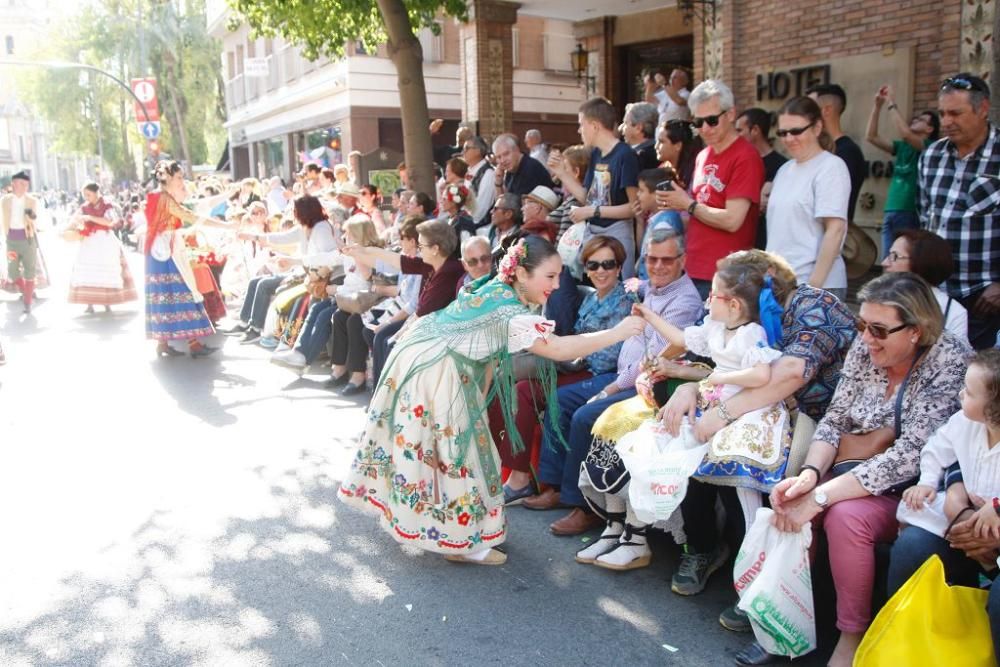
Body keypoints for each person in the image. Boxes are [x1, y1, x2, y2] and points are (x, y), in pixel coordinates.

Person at [337, 236, 646, 565]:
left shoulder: (497, 287)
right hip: (438, 371)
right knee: (460, 454)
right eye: (550, 276)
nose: (557, 285)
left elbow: (485, 352)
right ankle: (463, 543)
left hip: (430, 361)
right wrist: (620, 331)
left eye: (558, 276)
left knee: (453, 450)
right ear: (523, 274)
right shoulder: (508, 310)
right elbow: (556, 349)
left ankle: (458, 534)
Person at [756, 272, 972, 667]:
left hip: (915, 488)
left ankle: (851, 636)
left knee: (845, 516)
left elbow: (910, 455)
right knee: (792, 497)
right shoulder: (867, 345)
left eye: (878, 329)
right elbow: (836, 418)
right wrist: (809, 474)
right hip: (850, 467)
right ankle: (785, 621)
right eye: (861, 325)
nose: (866, 338)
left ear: (916, 330)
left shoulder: (950, 361)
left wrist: (821, 496)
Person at [658, 250, 857, 627]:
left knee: (740, 460)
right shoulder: (747, 314)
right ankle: (702, 548)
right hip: (771, 407)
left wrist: (722, 413)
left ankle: (757, 583)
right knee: (691, 442)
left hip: (822, 419)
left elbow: (788, 375)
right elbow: (725, 363)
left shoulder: (811, 306)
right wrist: (696, 391)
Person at [580, 253, 790, 570]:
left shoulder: (750, 334)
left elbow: (761, 376)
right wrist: (648, 315)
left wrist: (718, 377)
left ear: (733, 305)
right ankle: (632, 531)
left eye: (713, 295)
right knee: (653, 443)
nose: (707, 301)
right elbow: (679, 338)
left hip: (746, 414)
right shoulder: (716, 328)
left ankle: (753, 567)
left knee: (740, 494)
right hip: (714, 403)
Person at [523, 228, 703, 535]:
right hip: (617, 375)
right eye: (651, 258)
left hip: (646, 385)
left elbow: (656, 359)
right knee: (561, 400)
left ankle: (585, 506)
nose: (657, 265)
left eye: (667, 260)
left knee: (584, 416)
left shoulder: (683, 300)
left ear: (683, 260)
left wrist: (613, 386)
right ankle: (553, 486)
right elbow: (633, 285)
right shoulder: (651, 287)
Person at [496, 235, 632, 504]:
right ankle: (518, 476)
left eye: (608, 264)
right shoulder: (592, 299)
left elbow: (607, 358)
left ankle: (551, 486)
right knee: (521, 388)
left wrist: (569, 355)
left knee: (547, 396)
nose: (601, 271)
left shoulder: (625, 301)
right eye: (593, 265)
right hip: (575, 365)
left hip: (599, 372)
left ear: (619, 268)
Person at [887, 349, 1000, 659]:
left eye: (970, 392)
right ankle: (900, 645)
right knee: (912, 548)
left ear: (994, 410)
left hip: (993, 529)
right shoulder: (964, 423)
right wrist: (927, 482)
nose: (961, 393)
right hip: (964, 521)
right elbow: (937, 450)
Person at [655, 80, 765, 299]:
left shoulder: (745, 156)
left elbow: (733, 221)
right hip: (692, 268)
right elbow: (700, 214)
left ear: (731, 114)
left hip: (725, 276)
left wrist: (687, 204)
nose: (705, 128)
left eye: (712, 120)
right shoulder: (703, 156)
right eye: (698, 122)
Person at [919, 73, 1000, 350]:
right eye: (942, 113)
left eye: (956, 113)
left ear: (983, 109)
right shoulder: (932, 156)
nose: (946, 122)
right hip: (935, 295)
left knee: (977, 381)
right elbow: (925, 219)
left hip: (984, 298)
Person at [765, 96, 851, 300]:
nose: (789, 138)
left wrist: (812, 289)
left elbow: (835, 230)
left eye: (796, 131)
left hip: (817, 287)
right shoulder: (784, 170)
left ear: (817, 127)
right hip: (779, 286)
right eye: (783, 133)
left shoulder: (831, 167)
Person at [548, 97, 640, 279]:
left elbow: (634, 207)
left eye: (582, 124)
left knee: (620, 292)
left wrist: (593, 211)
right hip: (594, 234)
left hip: (617, 234)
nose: (579, 130)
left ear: (595, 126)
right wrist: (562, 174)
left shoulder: (625, 155)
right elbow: (588, 197)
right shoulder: (596, 154)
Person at [227, 195, 339, 343]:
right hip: (306, 275)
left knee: (265, 285)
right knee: (256, 281)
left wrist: (296, 263)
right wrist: (252, 237)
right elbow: (280, 238)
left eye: (295, 210)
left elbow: (330, 258)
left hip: (318, 279)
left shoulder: (321, 229)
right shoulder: (306, 227)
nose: (292, 213)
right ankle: (247, 323)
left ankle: (259, 329)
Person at [143, 161, 224, 358]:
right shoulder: (164, 199)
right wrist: (226, 226)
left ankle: (166, 343)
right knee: (182, 291)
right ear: (168, 178)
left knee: (167, 294)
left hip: (161, 249)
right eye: (179, 177)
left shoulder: (160, 197)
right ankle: (193, 343)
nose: (182, 181)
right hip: (166, 251)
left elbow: (194, 207)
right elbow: (189, 215)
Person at [866, 85, 940, 255]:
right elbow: (871, 136)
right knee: (888, 261)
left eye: (921, 120)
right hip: (891, 210)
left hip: (909, 211)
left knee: (903, 262)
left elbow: (906, 134)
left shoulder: (928, 147)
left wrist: (891, 102)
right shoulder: (902, 147)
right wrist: (877, 106)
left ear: (930, 129)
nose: (915, 120)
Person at [328, 216, 388, 396]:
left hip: (376, 300)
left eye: (350, 233)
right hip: (356, 299)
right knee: (339, 316)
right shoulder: (350, 252)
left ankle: (358, 375)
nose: (347, 236)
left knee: (355, 321)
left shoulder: (374, 251)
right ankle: (339, 368)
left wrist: (356, 254)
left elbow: (367, 278)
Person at [882, 229, 968, 341]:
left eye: (894, 256)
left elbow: (958, 356)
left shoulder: (953, 312)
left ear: (921, 263)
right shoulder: (878, 300)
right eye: (889, 255)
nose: (884, 262)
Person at [67, 182, 137, 313]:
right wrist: (72, 227)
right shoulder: (84, 207)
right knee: (88, 270)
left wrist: (91, 218)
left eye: (88, 194)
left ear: (96, 192)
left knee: (106, 268)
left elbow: (110, 222)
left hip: (105, 240)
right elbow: (74, 219)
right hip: (89, 241)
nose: (87, 197)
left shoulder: (107, 206)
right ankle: (90, 302)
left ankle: (107, 301)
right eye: (85, 195)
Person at [807, 83, 868, 224]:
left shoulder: (847, 153)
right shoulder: (815, 151)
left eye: (809, 108)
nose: (803, 113)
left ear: (826, 110)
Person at [735, 108, 787, 249]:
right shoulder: (738, 162)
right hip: (740, 241)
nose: (736, 136)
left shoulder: (783, 166)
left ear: (755, 130)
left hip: (768, 243)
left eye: (740, 130)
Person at [0, 171, 42, 314]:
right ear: (14, 184)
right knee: (12, 271)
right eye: (21, 184)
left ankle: (28, 302)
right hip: (11, 240)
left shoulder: (32, 201)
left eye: (26, 184)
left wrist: (31, 215)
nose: (25, 187)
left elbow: (35, 219)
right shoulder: (5, 200)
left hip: (28, 240)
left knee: (30, 271)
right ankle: (27, 291)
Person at [634, 166, 684, 279]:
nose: (637, 195)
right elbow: (644, 252)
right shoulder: (655, 218)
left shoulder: (665, 224)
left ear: (657, 194)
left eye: (641, 191)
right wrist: (640, 221)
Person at [493, 133, 554, 197]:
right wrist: (498, 182)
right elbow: (502, 203)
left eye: (506, 154)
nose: (502, 160)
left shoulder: (530, 168)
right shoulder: (511, 168)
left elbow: (512, 205)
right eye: (499, 157)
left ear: (516, 149)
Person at [460, 136, 496, 234]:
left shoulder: (488, 173)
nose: (463, 152)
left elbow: (481, 208)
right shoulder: (470, 171)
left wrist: (464, 221)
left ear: (478, 151)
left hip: (480, 226)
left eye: (467, 148)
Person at [655, 119, 703, 192]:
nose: (656, 146)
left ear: (678, 145)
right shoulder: (662, 169)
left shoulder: (697, 173)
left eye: (661, 142)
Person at [440, 182, 477, 254]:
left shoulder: (464, 221)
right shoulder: (453, 218)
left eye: (444, 199)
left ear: (453, 202)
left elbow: (467, 249)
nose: (441, 201)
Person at [623, 103, 661, 170]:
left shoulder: (638, 158)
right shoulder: (659, 152)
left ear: (638, 128)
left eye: (626, 123)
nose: (621, 128)